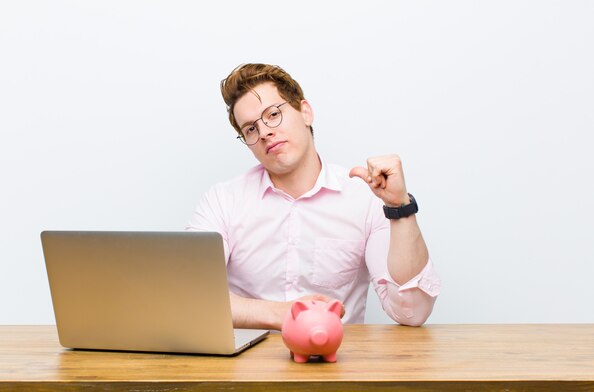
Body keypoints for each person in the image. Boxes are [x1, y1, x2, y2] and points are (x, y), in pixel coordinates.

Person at [187, 63, 440, 330]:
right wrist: (281, 313)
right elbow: (189, 294)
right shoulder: (222, 201)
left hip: (336, 364)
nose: (264, 133)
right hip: (247, 367)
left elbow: (412, 312)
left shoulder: (364, 199)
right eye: (250, 129)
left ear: (305, 112)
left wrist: (399, 207)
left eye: (273, 114)